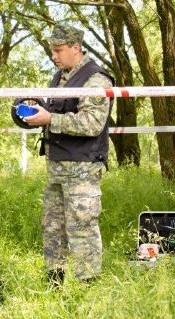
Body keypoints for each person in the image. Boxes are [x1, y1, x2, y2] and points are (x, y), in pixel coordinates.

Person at [23, 25, 114, 286]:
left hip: (82, 171)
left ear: (76, 48)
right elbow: (56, 114)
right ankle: (54, 284)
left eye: (59, 50)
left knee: (82, 230)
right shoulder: (60, 77)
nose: (54, 55)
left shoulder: (95, 79)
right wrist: (35, 109)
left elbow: (92, 123)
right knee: (53, 228)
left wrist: (51, 118)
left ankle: (89, 288)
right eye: (52, 50)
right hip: (57, 169)